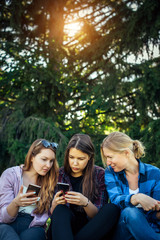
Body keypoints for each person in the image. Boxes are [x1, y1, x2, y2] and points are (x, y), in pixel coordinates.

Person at [48, 133, 120, 240]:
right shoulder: (59, 174)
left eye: (81, 159)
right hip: (64, 228)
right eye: (71, 157)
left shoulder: (99, 174)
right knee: (60, 209)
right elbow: (53, 216)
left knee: (112, 209)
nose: (75, 163)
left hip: (91, 229)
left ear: (89, 157)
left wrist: (85, 203)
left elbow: (98, 217)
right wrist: (54, 204)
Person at [101, 131, 160, 240]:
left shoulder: (155, 174)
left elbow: (155, 214)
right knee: (129, 212)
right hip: (122, 232)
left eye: (110, 157)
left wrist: (157, 211)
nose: (108, 162)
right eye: (106, 158)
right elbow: (115, 201)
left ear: (126, 153)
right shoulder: (110, 173)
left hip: (151, 231)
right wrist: (137, 198)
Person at [0, 139, 59, 240]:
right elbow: (4, 218)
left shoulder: (50, 182)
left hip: (33, 227)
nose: (48, 165)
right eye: (44, 159)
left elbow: (48, 218)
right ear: (32, 157)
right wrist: (15, 203)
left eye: (51, 161)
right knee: (5, 231)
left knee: (33, 235)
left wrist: (54, 206)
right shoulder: (11, 175)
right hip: (7, 224)